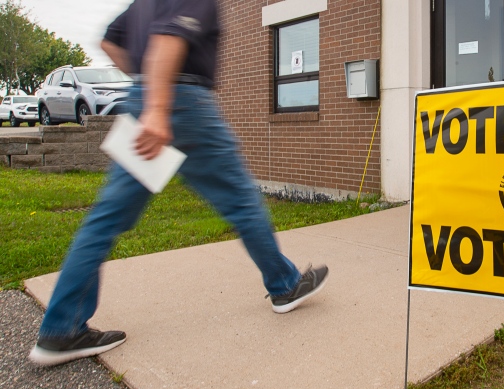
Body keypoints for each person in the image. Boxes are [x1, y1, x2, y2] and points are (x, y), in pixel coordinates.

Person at [28, 0, 328, 367]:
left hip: (144, 97)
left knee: (107, 216)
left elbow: (110, 42)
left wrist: (146, 85)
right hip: (180, 102)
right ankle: (284, 285)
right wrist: (158, 106)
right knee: (241, 199)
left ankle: (61, 328)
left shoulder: (141, 4)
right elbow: (168, 39)